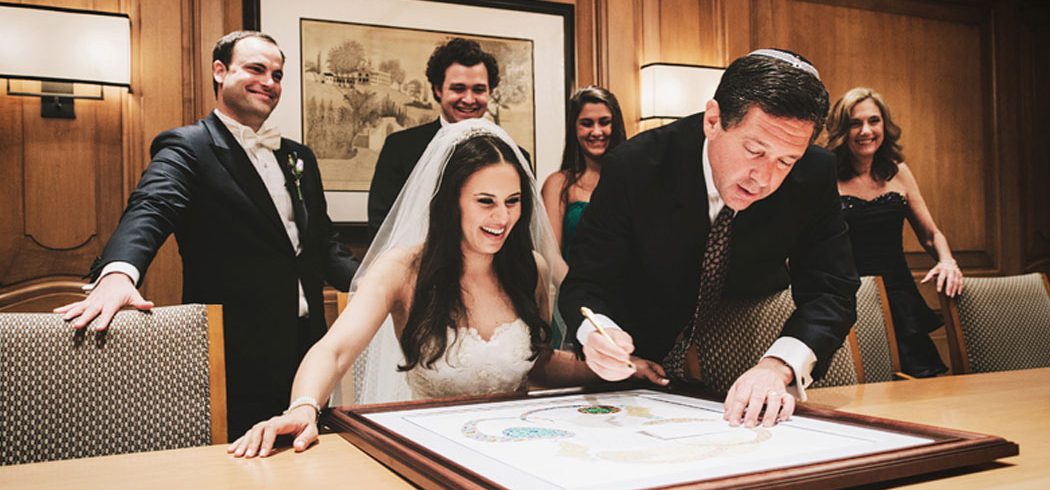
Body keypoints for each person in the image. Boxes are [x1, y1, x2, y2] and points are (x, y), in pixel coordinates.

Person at [227, 119, 665, 458]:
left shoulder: (527, 268)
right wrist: (303, 406)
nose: (503, 219)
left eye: (513, 202)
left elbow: (539, 365)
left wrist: (614, 366)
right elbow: (335, 350)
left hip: (521, 444)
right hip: (433, 446)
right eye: (485, 202)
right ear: (451, 201)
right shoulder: (402, 269)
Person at [54, 31, 359, 440]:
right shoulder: (188, 146)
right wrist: (119, 273)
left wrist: (378, 287)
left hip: (310, 346)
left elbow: (323, 245)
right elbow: (152, 206)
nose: (269, 82)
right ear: (220, 71)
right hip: (231, 351)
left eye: (278, 74)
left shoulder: (298, 156)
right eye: (256, 69)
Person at [559, 49, 860, 429]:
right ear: (713, 120)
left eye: (786, 161)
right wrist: (598, 334)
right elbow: (585, 283)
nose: (764, 178)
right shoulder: (635, 166)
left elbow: (832, 289)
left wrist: (779, 365)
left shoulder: (814, 173)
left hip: (747, 363)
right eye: (754, 151)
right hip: (637, 375)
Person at [826, 87, 961, 378]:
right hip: (847, 297)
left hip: (900, 296)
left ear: (884, 125)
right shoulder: (825, 176)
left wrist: (947, 260)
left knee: (924, 387)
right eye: (854, 123)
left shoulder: (898, 172)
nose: (866, 130)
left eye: (874, 121)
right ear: (842, 130)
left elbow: (930, 234)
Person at [368, 37, 511, 239]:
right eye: (458, 88)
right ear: (438, 89)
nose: (469, 99)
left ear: (490, 92)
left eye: (478, 90)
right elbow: (382, 225)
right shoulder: (400, 148)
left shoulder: (513, 154)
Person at [541, 86, 627, 258]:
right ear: (574, 128)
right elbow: (551, 257)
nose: (596, 132)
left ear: (615, 125)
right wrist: (575, 286)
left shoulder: (634, 180)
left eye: (604, 122)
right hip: (571, 283)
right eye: (587, 124)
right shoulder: (557, 184)